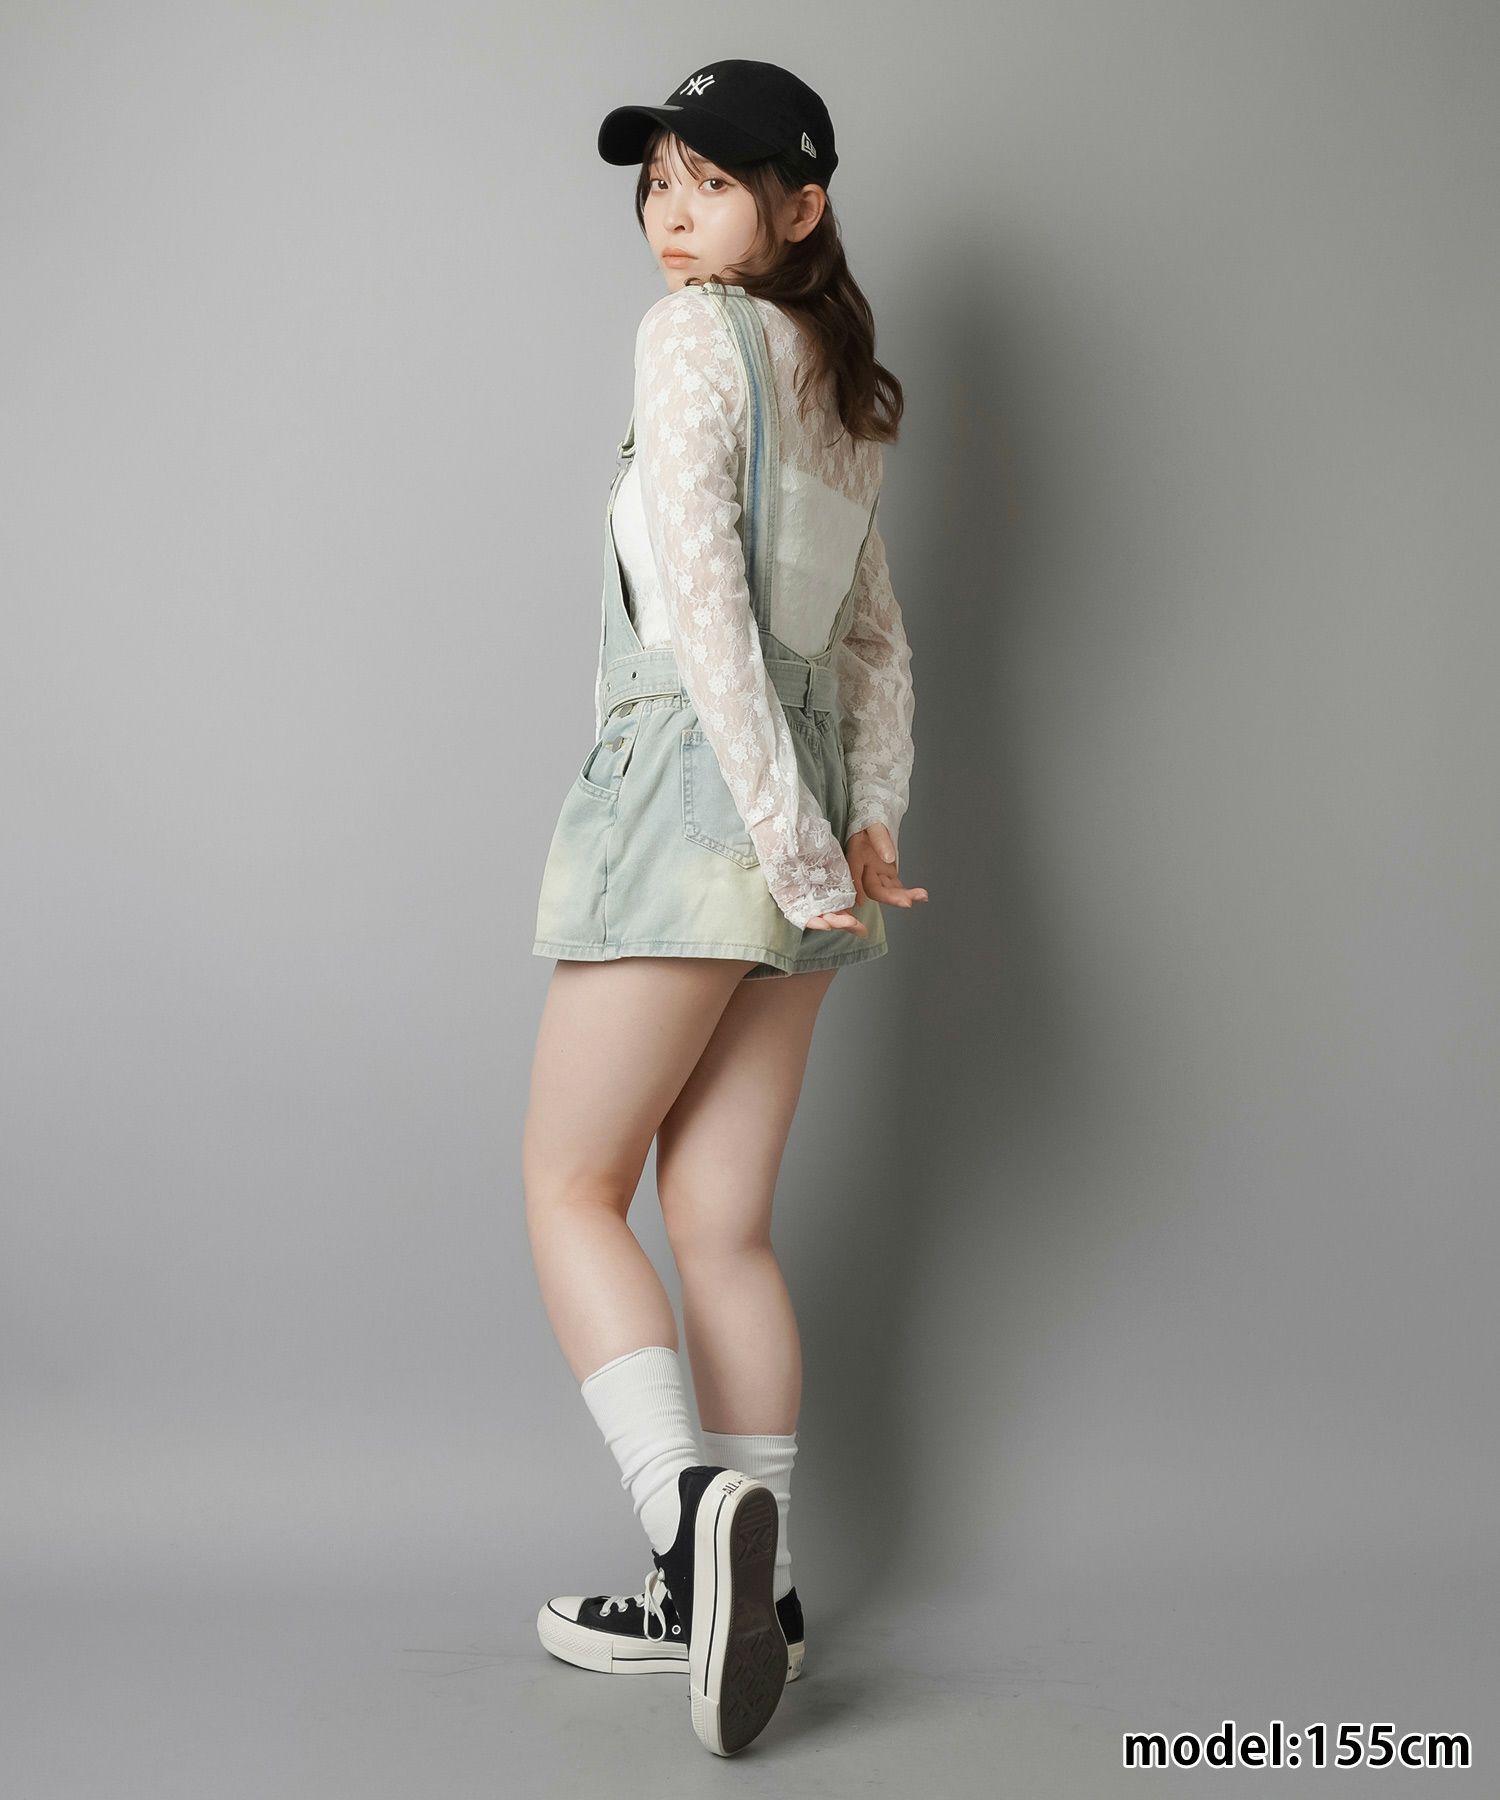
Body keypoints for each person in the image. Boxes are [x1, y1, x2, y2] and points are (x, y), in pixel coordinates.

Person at [524, 58, 926, 1757]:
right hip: (810, 816)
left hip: (709, 794)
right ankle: (763, 1601)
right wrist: (858, 827)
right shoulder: (842, 385)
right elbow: (873, 647)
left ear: (800, 203)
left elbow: (703, 607)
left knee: (569, 1187)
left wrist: (774, 833)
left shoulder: (692, 339)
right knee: (722, 1223)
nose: (670, 216)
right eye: (656, 184)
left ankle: (694, 1538)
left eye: (709, 182)